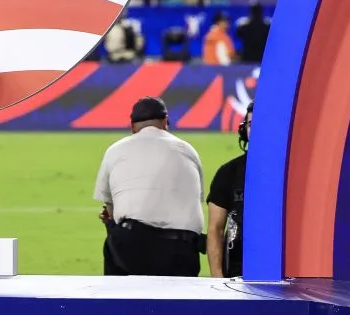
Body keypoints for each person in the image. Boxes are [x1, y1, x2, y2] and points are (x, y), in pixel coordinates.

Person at [94, 96, 204, 277]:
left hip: (132, 245)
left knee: (115, 245)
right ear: (165, 122)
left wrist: (112, 220)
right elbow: (195, 199)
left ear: (132, 127)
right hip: (182, 249)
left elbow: (109, 208)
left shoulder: (115, 149)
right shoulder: (188, 150)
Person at [208, 101, 253, 278]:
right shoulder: (228, 172)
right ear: (244, 130)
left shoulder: (289, 173)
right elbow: (215, 229)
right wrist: (217, 278)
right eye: (251, 124)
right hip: (235, 272)